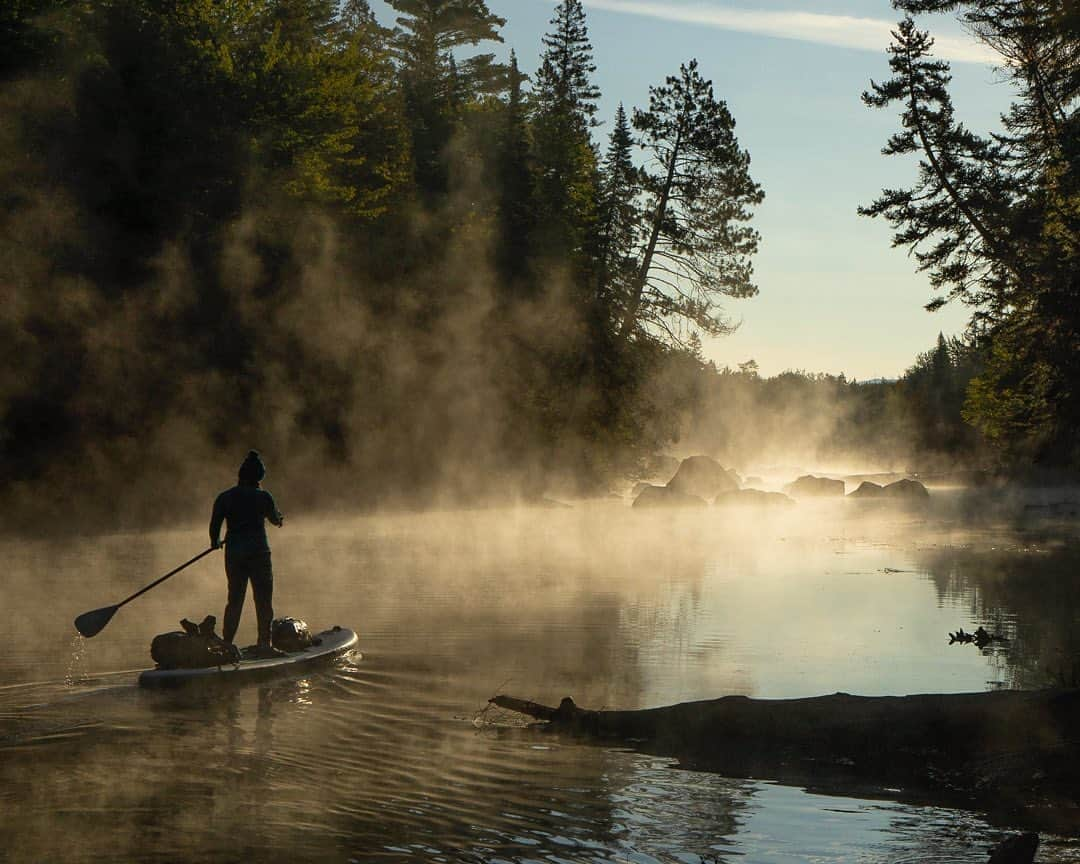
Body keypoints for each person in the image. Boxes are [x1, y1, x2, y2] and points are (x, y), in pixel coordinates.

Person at [209, 450, 284, 655]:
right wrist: (279, 518)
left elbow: (215, 524)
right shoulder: (263, 496)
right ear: (259, 477)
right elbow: (275, 520)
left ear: (241, 475)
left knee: (234, 599)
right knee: (263, 599)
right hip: (259, 553)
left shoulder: (225, 497)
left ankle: (226, 644)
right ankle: (264, 644)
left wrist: (214, 541)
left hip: (234, 554)